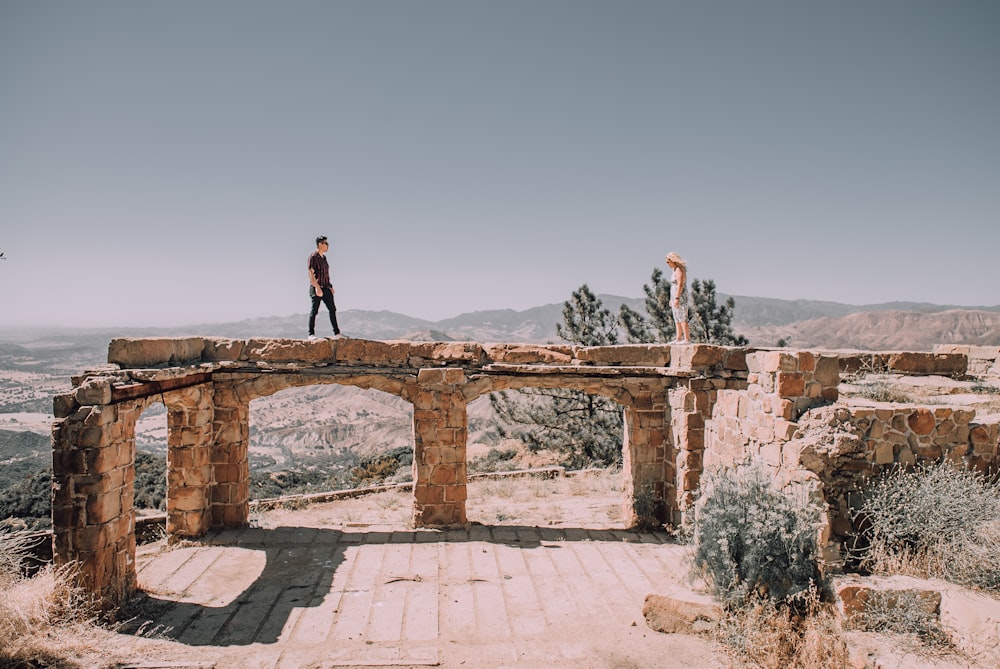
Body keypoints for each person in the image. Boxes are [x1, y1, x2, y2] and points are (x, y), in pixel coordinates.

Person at [307, 235, 342, 339]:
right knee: (314, 311)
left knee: (332, 309)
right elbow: (311, 274)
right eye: (326, 243)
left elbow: (325, 274)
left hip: (326, 287)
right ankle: (311, 334)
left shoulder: (324, 258)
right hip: (317, 288)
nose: (328, 245)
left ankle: (337, 333)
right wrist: (317, 287)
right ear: (320, 244)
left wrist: (330, 286)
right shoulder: (313, 257)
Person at [665, 252, 690, 343]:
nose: (667, 264)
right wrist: (671, 299)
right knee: (676, 316)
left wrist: (677, 298)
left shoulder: (679, 269)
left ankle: (687, 338)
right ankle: (678, 338)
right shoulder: (674, 270)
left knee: (682, 316)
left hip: (680, 295)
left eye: (668, 262)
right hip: (674, 295)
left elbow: (680, 284)